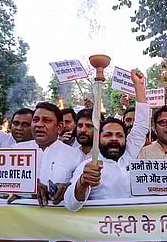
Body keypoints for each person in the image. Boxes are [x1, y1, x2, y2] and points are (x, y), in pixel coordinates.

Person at [64, 69, 149, 210]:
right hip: (104, 228)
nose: (114, 139)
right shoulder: (90, 166)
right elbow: (71, 204)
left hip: (134, 226)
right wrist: (83, 182)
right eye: (108, 135)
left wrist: (139, 86)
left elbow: (141, 125)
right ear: (98, 138)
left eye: (119, 135)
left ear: (126, 139)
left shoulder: (128, 156)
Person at [14, 102, 84, 206]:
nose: (39, 125)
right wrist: (27, 188)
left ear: (59, 127)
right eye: (35, 120)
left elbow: (81, 190)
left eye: (47, 120)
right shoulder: (14, 151)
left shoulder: (76, 156)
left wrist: (68, 188)